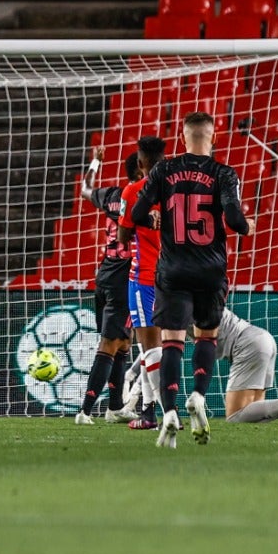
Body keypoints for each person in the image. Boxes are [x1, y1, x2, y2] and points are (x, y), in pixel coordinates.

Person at [129, 111, 249, 448]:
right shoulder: (224, 172)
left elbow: (137, 214)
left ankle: (168, 412)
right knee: (206, 336)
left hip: (173, 270)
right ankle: (197, 394)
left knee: (171, 340)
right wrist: (247, 226)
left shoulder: (165, 169)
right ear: (213, 138)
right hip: (210, 270)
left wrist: (154, 214)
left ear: (183, 138)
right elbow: (235, 219)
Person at [123, 308, 278, 423]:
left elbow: (157, 350)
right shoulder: (199, 300)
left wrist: (132, 380)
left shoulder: (180, 310)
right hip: (262, 338)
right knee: (255, 416)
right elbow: (155, 349)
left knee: (235, 416)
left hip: (247, 346)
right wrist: (131, 375)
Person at [74, 145, 138, 424]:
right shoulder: (142, 199)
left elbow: (86, 189)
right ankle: (85, 410)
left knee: (124, 343)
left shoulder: (111, 195)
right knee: (110, 344)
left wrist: (95, 163)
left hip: (105, 274)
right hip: (125, 276)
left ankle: (115, 407)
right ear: (142, 170)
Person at [117, 134, 165, 426]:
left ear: (140, 162)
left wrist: (141, 219)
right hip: (174, 277)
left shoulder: (133, 191)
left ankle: (163, 410)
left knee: (151, 350)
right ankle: (147, 409)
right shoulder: (175, 190)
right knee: (158, 349)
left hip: (145, 276)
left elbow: (123, 237)